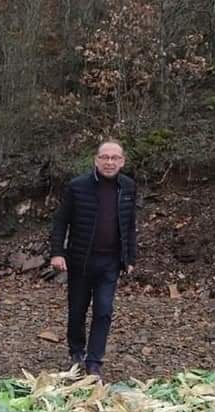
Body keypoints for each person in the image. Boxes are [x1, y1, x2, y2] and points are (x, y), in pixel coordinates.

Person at [50, 140, 138, 379]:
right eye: (105, 157)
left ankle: (94, 361)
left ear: (122, 161)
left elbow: (129, 225)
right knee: (77, 310)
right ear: (96, 160)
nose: (109, 162)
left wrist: (130, 256)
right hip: (80, 261)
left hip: (110, 262)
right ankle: (76, 351)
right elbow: (60, 221)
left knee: (104, 310)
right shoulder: (77, 186)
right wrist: (57, 252)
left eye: (114, 158)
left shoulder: (128, 187)